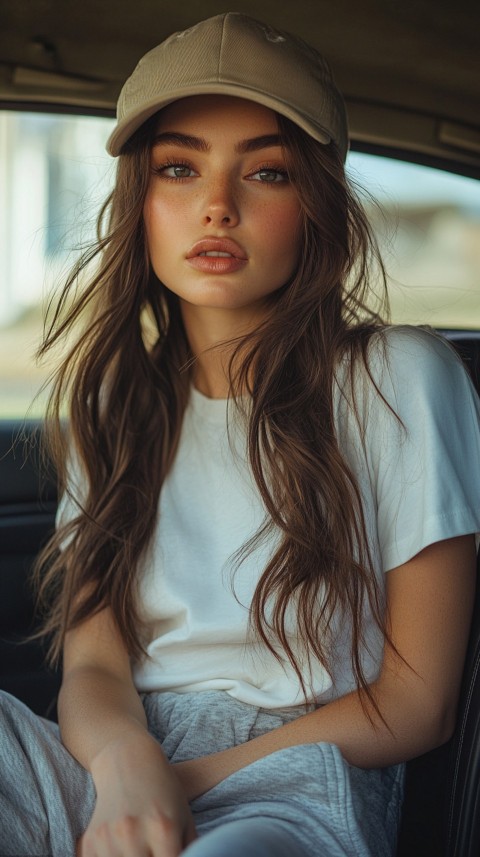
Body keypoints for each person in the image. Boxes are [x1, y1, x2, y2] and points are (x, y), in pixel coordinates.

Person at [1, 11, 479, 857]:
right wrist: (123, 763)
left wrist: (174, 782)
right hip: (113, 756)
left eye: (265, 173)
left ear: (317, 206)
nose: (216, 206)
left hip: (304, 771)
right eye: (180, 168)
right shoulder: (116, 399)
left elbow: (417, 698)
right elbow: (97, 668)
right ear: (140, 205)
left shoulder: (400, 377)